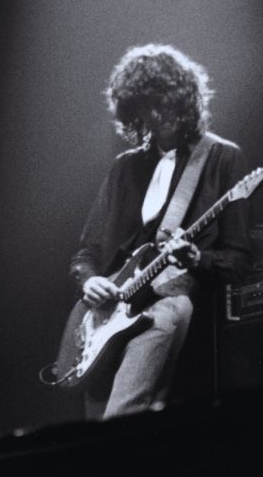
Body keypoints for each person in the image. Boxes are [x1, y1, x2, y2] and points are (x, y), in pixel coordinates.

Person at [69, 44, 252, 419]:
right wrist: (90, 281)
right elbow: (87, 252)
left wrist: (197, 258)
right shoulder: (124, 168)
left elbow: (239, 260)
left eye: (163, 103)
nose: (156, 115)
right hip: (110, 314)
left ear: (183, 100)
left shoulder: (221, 158)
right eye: (145, 106)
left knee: (119, 417)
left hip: (169, 303)